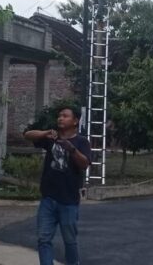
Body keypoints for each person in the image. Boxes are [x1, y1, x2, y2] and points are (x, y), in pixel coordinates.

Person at [23, 106, 92, 265]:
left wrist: (72, 149)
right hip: (48, 199)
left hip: (69, 201)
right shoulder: (51, 138)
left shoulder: (81, 142)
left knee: (70, 240)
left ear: (75, 121)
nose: (60, 118)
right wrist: (45, 133)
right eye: (59, 115)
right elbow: (27, 135)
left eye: (65, 116)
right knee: (43, 239)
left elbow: (85, 164)